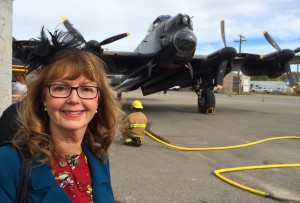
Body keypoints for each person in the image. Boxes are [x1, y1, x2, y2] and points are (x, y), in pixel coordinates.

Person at [0, 28, 123, 203]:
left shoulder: (99, 158)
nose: (74, 99)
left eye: (86, 89)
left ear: (98, 101)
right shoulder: (7, 163)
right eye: (60, 88)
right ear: (44, 99)